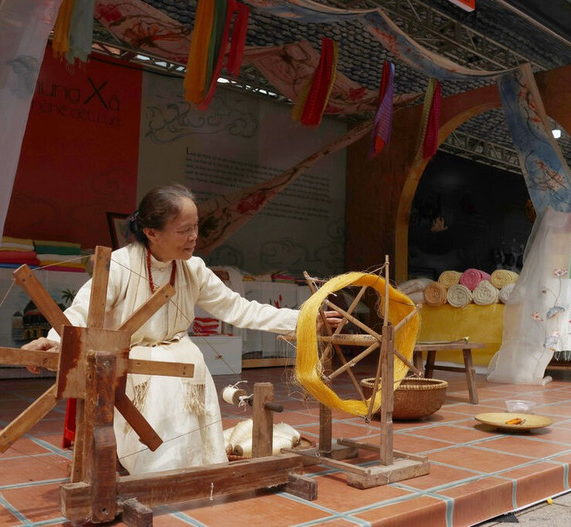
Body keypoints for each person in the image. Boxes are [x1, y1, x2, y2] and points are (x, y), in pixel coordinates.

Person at [24, 183, 342, 474]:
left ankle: (199, 465)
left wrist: (304, 319)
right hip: (132, 358)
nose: (194, 237)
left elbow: (239, 309)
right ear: (151, 232)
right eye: (184, 230)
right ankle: (156, 471)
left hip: (182, 354)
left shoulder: (194, 269)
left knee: (191, 361)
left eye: (196, 228)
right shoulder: (120, 265)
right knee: (164, 380)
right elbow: (82, 310)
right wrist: (53, 341)